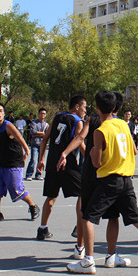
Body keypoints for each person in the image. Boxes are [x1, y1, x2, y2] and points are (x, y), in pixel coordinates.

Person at [67, 91, 138, 274]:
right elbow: (134, 150)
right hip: (127, 180)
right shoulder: (124, 124)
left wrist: (93, 153)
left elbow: (97, 163)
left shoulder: (100, 131)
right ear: (116, 107)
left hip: (109, 181)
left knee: (88, 218)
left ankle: (88, 261)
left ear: (97, 107)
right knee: (134, 219)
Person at [36, 95, 86, 261]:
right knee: (83, 193)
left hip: (52, 162)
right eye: (84, 107)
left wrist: (41, 159)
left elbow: (45, 139)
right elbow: (79, 141)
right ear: (77, 107)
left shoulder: (57, 117)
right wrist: (90, 159)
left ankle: (42, 228)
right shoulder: (78, 121)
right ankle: (79, 227)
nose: (85, 111)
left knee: (51, 196)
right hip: (67, 163)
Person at [0, 102, 40, 222]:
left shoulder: (8, 126)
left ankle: (33, 206)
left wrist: (26, 150)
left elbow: (19, 137)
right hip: (0, 163)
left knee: (16, 189)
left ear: (4, 113)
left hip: (13, 163)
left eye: (1, 111)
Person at [24, 108, 49, 181]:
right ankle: (29, 174)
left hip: (42, 145)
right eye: (41, 113)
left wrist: (39, 134)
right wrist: (42, 133)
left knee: (41, 160)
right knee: (33, 160)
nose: (42, 115)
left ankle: (38, 174)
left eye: (44, 114)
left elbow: (47, 134)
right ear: (38, 114)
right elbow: (33, 132)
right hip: (35, 144)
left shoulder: (46, 124)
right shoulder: (34, 123)